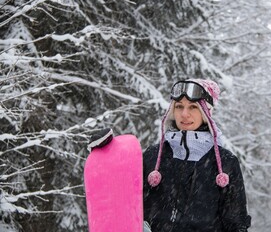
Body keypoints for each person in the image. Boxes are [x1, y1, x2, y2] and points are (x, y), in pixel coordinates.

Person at [88, 79, 251, 232]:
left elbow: (236, 222)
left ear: (206, 112)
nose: (184, 114)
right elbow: (123, 196)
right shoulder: (154, 156)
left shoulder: (224, 162)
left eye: (193, 107)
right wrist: (107, 155)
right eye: (179, 106)